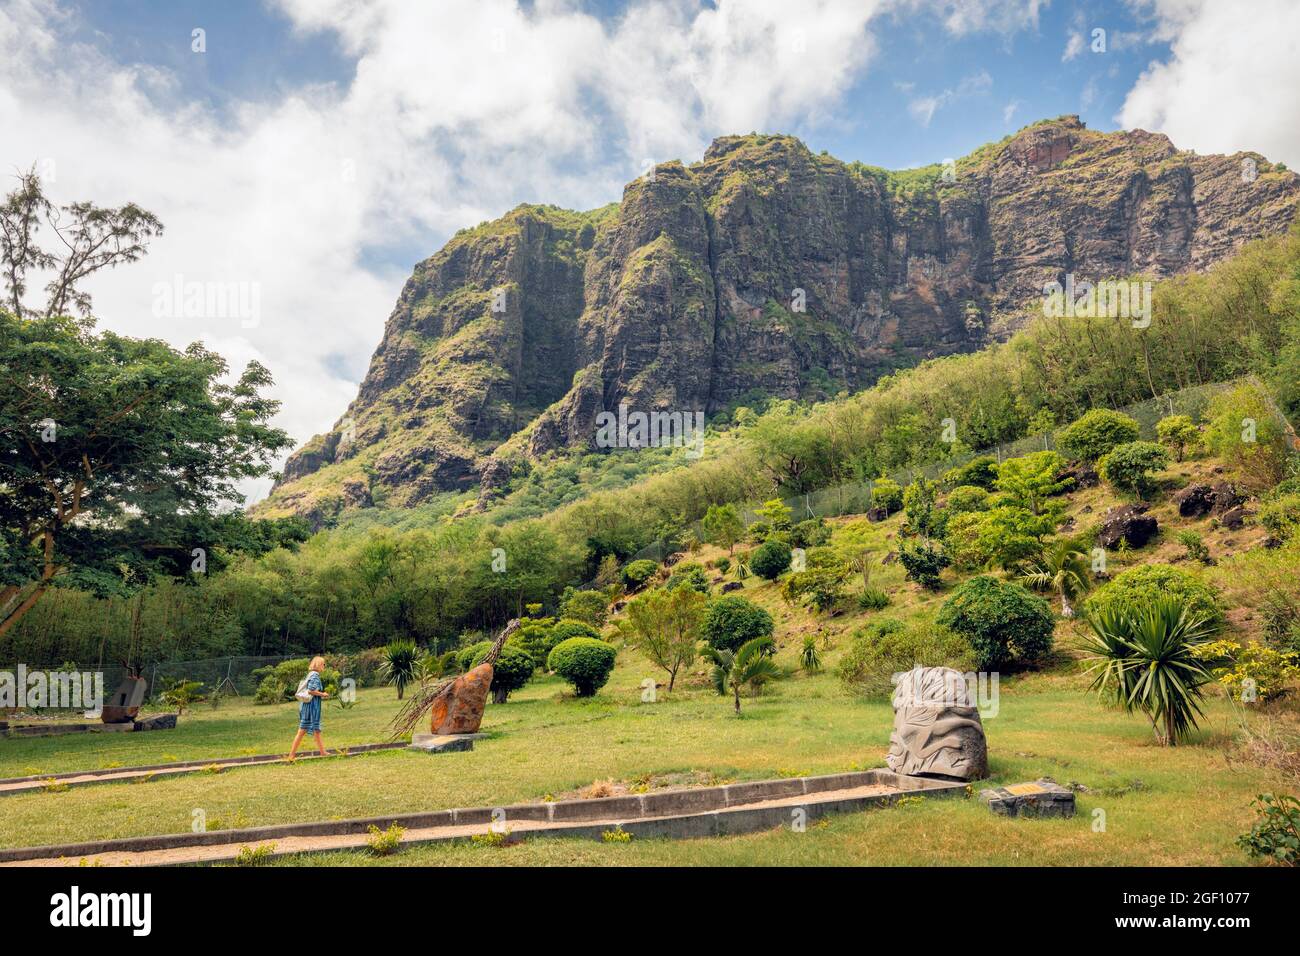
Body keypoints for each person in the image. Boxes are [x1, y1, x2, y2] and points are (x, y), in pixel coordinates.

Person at [288, 656, 330, 760]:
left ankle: (322, 752)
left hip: (307, 705)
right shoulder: (315, 675)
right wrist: (323, 694)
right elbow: (311, 691)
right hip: (311, 707)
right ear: (319, 665)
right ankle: (291, 755)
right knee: (302, 730)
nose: (324, 666)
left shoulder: (310, 674)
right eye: (323, 664)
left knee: (316, 730)